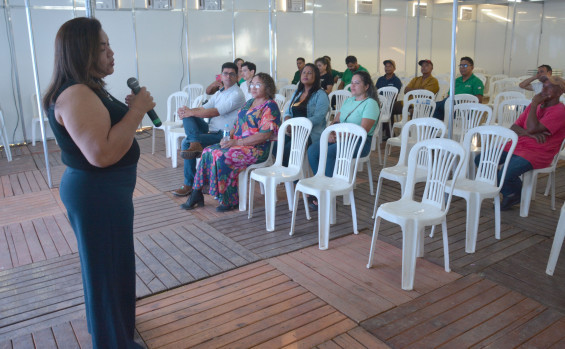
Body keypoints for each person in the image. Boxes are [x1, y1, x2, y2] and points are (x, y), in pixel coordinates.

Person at [42, 17, 155, 348]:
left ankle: (113, 329)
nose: (111, 53)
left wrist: (132, 111)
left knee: (110, 267)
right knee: (106, 272)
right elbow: (101, 154)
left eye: (109, 46)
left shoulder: (87, 88)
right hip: (98, 194)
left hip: (105, 193)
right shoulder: (76, 92)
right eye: (102, 47)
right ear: (83, 51)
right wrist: (138, 112)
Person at [182, 73, 281, 212]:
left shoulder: (270, 106)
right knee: (208, 151)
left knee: (223, 156)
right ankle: (196, 193)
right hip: (239, 144)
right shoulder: (249, 103)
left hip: (257, 149)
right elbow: (236, 125)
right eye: (252, 84)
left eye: (258, 85)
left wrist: (237, 143)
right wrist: (228, 139)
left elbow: (264, 135)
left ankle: (230, 200)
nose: (253, 87)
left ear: (268, 87)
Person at [489, 75, 565, 210]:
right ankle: (512, 190)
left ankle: (513, 193)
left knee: (505, 173)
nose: (544, 89)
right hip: (518, 144)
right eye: (544, 86)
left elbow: (531, 127)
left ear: (560, 92)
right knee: (483, 159)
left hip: (539, 151)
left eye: (550, 87)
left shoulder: (560, 111)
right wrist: (529, 133)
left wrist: (535, 105)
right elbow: (514, 127)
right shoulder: (534, 105)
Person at [307, 71, 380, 209]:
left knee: (330, 152)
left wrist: (340, 136)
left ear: (366, 86)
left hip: (360, 142)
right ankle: (322, 184)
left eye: (357, 83)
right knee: (313, 150)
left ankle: (325, 193)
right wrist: (332, 133)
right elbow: (336, 121)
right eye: (351, 82)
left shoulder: (371, 104)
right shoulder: (349, 100)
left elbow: (362, 131)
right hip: (341, 138)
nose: (352, 86)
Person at [172, 62, 246, 198]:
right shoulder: (220, 93)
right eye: (225, 73)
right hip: (210, 130)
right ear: (221, 76)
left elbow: (214, 112)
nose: (228, 76)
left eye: (231, 74)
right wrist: (187, 111)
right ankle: (195, 143)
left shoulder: (237, 94)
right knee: (188, 116)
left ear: (237, 77)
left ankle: (190, 184)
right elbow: (204, 108)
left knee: (185, 143)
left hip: (224, 135)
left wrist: (190, 112)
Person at [279, 63, 329, 166]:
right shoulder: (298, 92)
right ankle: (289, 174)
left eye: (309, 73)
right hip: (293, 131)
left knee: (288, 149)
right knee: (276, 146)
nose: (305, 75)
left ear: (316, 76)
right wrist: (288, 121)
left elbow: (318, 117)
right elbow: (288, 110)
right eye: (304, 72)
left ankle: (295, 177)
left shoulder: (321, 94)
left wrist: (299, 126)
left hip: (310, 133)